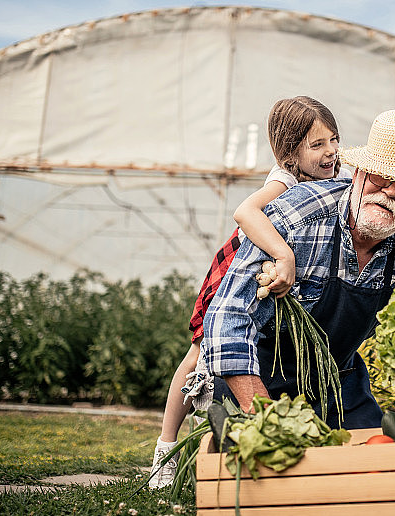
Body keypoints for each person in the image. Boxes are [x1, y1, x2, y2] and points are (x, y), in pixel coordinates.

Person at [201, 108, 395, 430]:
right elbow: (228, 316)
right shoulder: (300, 214)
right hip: (258, 380)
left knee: (379, 472)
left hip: (338, 384)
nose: (391, 192)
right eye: (382, 176)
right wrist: (265, 418)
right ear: (358, 174)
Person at [148, 96, 349, 489]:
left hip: (270, 273)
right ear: (291, 152)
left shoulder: (333, 173)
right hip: (242, 268)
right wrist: (283, 254)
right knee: (196, 356)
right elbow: (245, 212)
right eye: (317, 144)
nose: (330, 151)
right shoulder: (284, 179)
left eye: (334, 139)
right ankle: (164, 450)